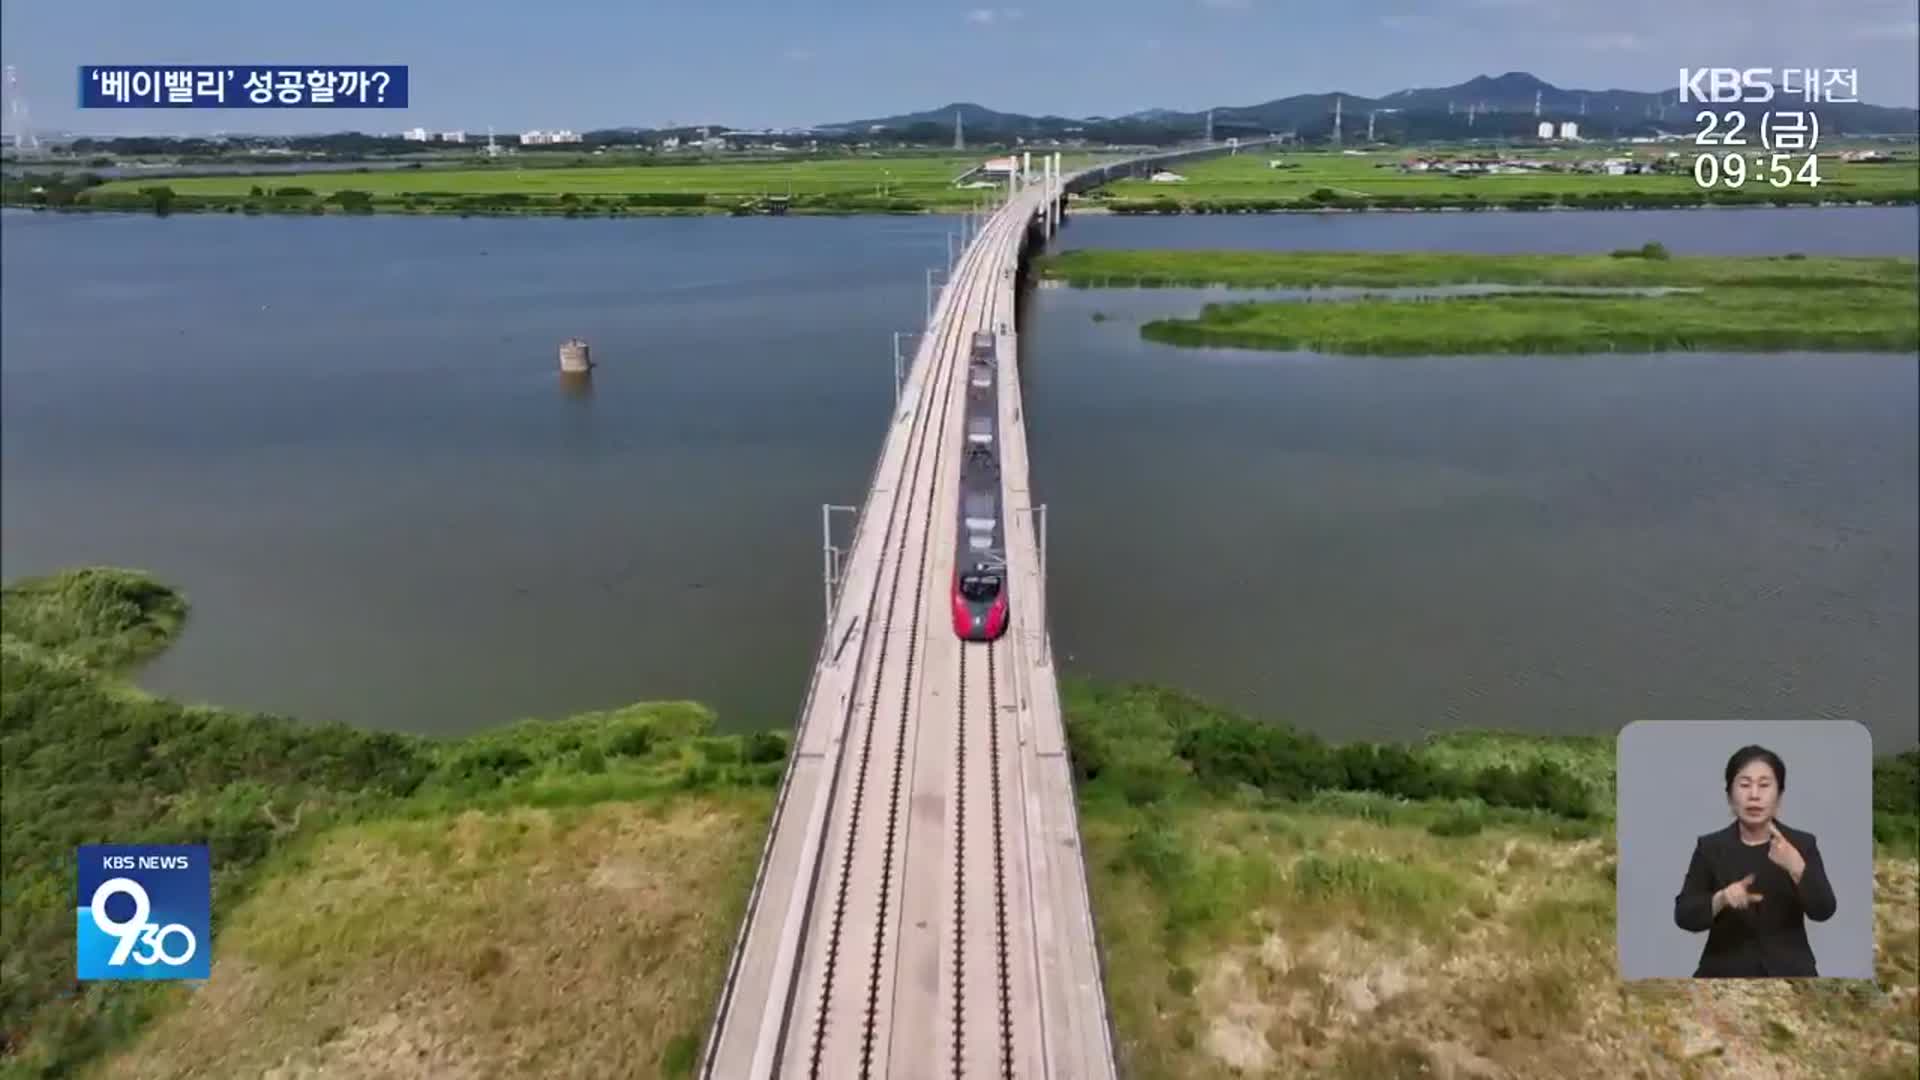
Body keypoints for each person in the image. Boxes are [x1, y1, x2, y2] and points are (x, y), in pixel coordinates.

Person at [1673, 745, 1837, 977]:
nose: (1754, 795)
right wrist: (1721, 899)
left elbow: (1824, 910)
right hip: (1723, 974)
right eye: (1744, 784)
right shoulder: (1710, 847)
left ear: (1779, 795)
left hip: (1790, 975)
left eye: (1764, 785)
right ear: (1730, 795)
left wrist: (1797, 867)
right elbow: (1684, 915)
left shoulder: (1801, 844)